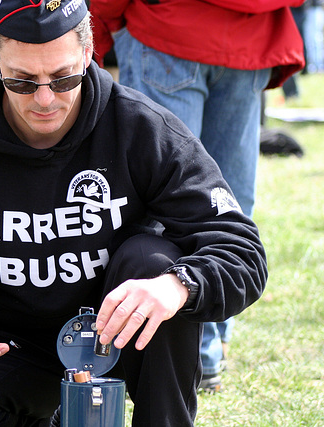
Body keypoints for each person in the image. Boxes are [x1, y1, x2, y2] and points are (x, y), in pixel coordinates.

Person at [0, 2, 268, 425]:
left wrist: (176, 286)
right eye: (22, 81)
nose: (45, 100)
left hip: (116, 333)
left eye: (63, 79)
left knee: (153, 263)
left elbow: (242, 250)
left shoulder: (140, 127)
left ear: (87, 54)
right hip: (8, 342)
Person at [90, 0, 304, 392]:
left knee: (165, 203)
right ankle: (207, 351)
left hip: (171, 27)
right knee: (226, 201)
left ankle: (185, 351)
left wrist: (102, 21)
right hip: (246, 37)